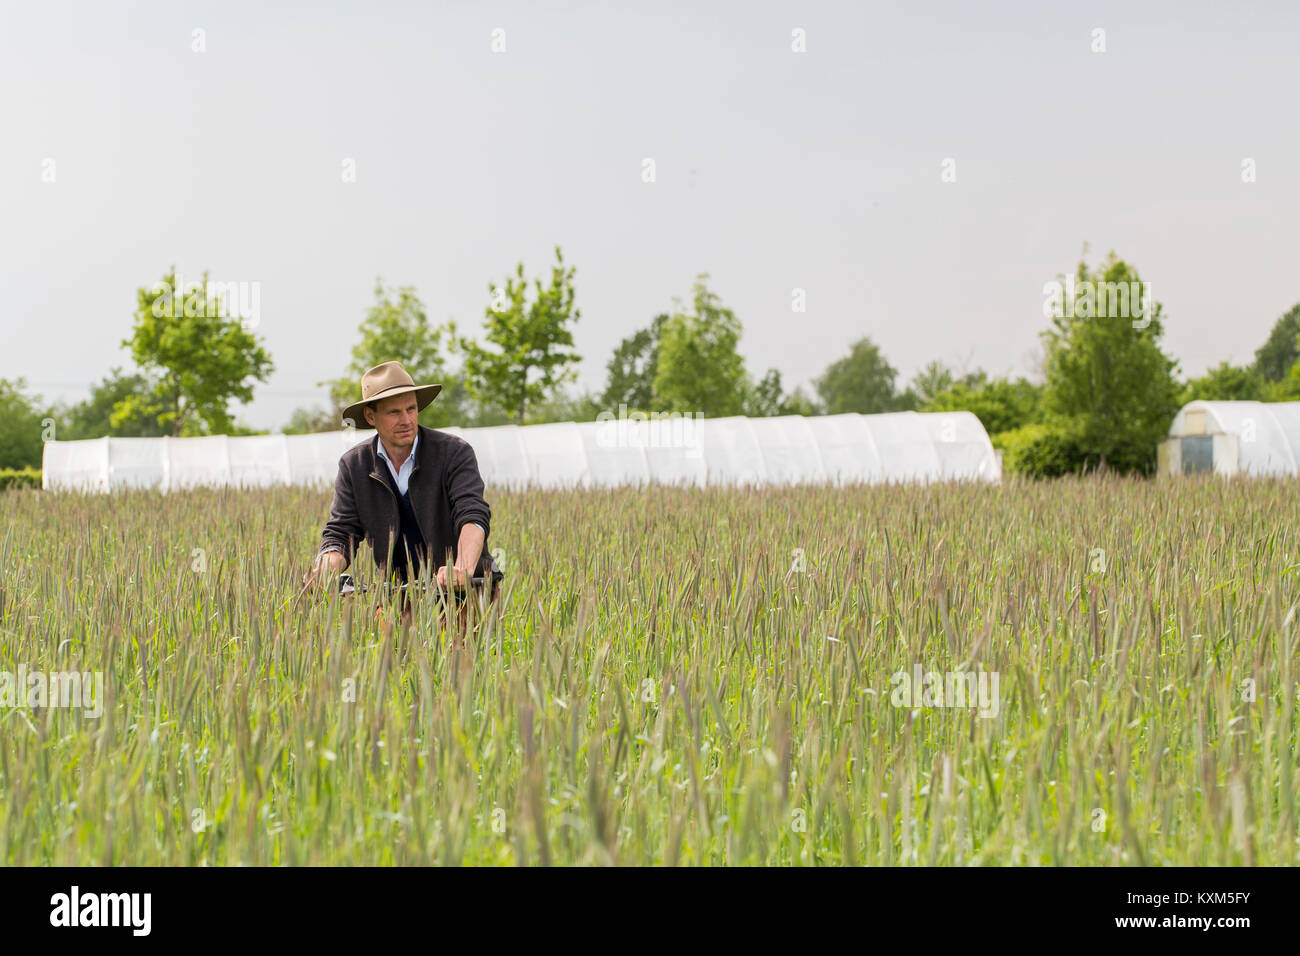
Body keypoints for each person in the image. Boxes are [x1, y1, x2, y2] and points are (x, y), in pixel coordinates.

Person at [303, 361, 504, 611]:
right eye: (394, 412)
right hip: (398, 597)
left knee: (460, 649)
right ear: (370, 416)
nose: (406, 420)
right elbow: (342, 531)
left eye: (411, 409)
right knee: (388, 649)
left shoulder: (454, 453)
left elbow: (473, 515)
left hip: (466, 594)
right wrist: (326, 569)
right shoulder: (354, 466)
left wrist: (462, 567)